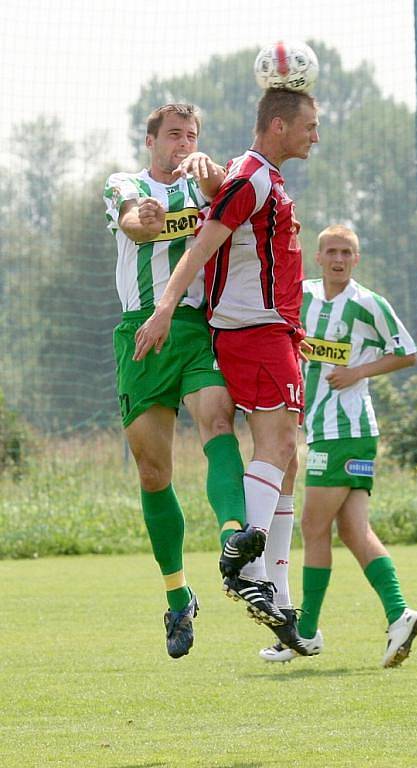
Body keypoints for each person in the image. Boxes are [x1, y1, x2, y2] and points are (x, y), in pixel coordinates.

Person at [132, 89, 320, 655]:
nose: (316, 134)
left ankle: (279, 601)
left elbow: (222, 197)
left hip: (272, 329)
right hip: (251, 330)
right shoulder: (254, 177)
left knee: (285, 458)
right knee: (278, 442)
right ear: (279, 125)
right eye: (309, 125)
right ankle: (246, 566)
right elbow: (206, 243)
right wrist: (164, 307)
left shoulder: (255, 176)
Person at [103, 103, 264, 660]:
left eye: (191, 135)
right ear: (151, 140)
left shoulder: (205, 183)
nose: (182, 143)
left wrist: (215, 175)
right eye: (174, 135)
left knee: (218, 420)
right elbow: (129, 217)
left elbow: (235, 198)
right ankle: (178, 597)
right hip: (140, 334)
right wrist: (141, 219)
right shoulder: (126, 184)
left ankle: (233, 536)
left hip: (195, 327)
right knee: (153, 471)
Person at [259, 224, 417, 667]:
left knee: (314, 529)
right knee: (353, 531)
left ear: (357, 259)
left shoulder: (369, 304)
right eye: (331, 251)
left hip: (344, 432)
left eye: (346, 252)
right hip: (332, 432)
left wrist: (358, 372)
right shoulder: (304, 295)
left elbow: (407, 352)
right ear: (318, 258)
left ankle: (305, 632)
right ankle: (399, 615)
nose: (338, 258)